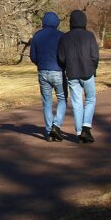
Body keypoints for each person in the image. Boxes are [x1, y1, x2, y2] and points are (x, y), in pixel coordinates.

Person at [56, 9, 99, 143]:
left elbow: (61, 58)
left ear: (71, 22)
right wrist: (93, 68)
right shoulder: (89, 36)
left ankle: (79, 132)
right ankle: (86, 126)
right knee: (90, 99)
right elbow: (95, 56)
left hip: (72, 74)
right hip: (88, 72)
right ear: (84, 21)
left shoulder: (65, 37)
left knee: (77, 103)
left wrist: (67, 66)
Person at [28, 11, 67, 141]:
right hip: (58, 71)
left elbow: (33, 56)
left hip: (42, 71)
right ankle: (56, 125)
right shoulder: (61, 36)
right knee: (62, 98)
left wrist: (39, 64)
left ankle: (49, 130)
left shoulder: (37, 36)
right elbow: (65, 55)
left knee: (47, 102)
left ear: (44, 22)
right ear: (57, 22)